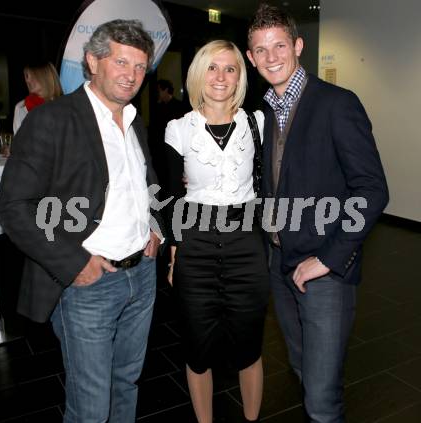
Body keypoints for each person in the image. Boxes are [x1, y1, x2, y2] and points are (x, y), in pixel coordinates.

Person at [0, 19, 164, 423]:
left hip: (141, 276)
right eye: (121, 62)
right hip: (90, 283)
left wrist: (155, 226)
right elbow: (13, 206)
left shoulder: (133, 119)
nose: (132, 76)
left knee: (126, 383)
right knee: (90, 406)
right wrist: (75, 265)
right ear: (92, 60)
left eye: (140, 67)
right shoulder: (52, 120)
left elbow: (146, 181)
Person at [246, 4, 389, 422]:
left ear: (298, 46)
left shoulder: (337, 104)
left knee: (322, 400)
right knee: (303, 372)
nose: (272, 57)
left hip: (323, 270)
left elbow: (372, 190)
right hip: (279, 265)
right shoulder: (264, 112)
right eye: (261, 49)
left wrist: (327, 260)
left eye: (279, 46)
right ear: (251, 58)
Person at [165, 40, 269, 423]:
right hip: (196, 241)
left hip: (246, 241)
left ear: (240, 76)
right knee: (197, 348)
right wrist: (175, 253)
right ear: (198, 73)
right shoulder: (178, 129)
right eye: (212, 67)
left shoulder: (256, 122)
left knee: (249, 346)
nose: (221, 77)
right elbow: (174, 198)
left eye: (230, 68)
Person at [148, 79, 185, 191]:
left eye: (159, 90)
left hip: (174, 150)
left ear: (166, 90)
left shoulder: (179, 106)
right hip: (160, 150)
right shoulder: (158, 108)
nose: (158, 93)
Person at [13, 61, 63, 134]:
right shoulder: (21, 108)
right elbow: (18, 141)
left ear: (45, 76)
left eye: (32, 75)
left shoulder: (63, 105)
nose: (28, 80)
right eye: (26, 76)